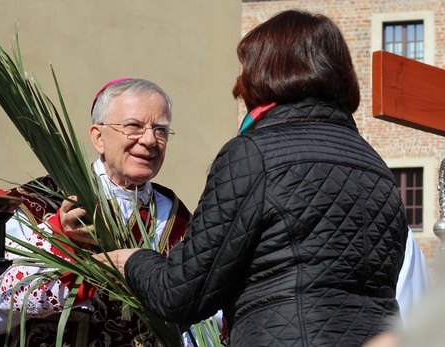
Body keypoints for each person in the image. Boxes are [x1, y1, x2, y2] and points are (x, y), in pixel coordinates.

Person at [98, 10, 408, 347]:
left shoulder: (253, 154)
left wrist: (132, 261)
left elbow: (182, 294)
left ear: (267, 70)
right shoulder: (374, 164)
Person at [0, 78, 191, 346]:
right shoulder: (40, 201)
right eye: (134, 126)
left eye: (161, 129)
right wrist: (60, 238)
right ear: (98, 137)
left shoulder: (176, 217)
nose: (149, 140)